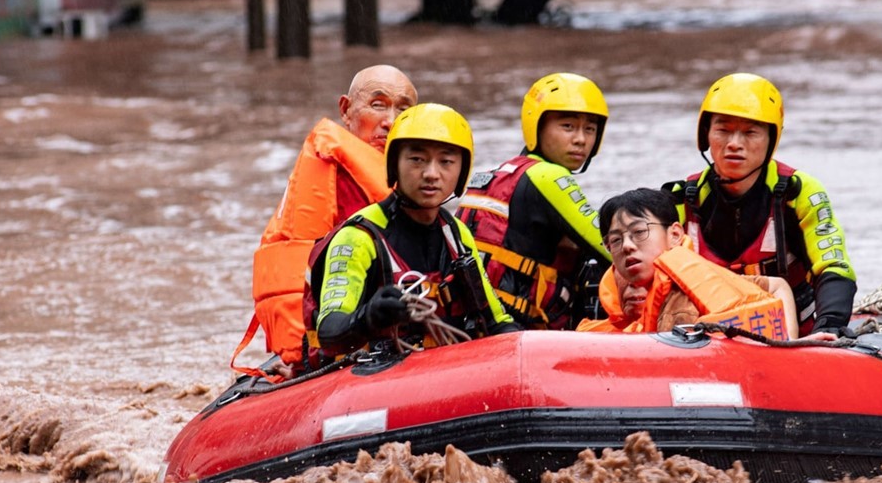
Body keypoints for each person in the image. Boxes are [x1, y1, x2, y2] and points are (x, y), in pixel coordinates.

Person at [233, 65, 418, 376]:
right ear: (345, 110)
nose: (391, 121)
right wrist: (307, 357)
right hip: (334, 339)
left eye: (403, 109)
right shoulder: (335, 174)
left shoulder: (413, 179)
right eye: (378, 104)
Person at [306, 103, 519, 361]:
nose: (431, 174)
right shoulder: (358, 237)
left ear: (461, 172)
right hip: (370, 378)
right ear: (394, 165)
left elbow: (496, 321)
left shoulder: (457, 235)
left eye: (446, 162)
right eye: (417, 159)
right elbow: (330, 333)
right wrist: (370, 316)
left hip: (442, 372)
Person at [664, 73, 857, 335]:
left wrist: (831, 325)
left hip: (796, 331)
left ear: (771, 140)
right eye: (723, 129)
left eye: (750, 132)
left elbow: (834, 265)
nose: (734, 143)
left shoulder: (798, 192)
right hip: (704, 334)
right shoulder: (679, 198)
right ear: (705, 135)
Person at [458, 72, 612, 329]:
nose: (580, 140)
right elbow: (610, 245)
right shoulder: (548, 176)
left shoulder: (500, 174)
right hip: (520, 331)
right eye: (568, 127)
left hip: (476, 323)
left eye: (590, 129)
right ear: (536, 127)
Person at [577, 188, 797, 337]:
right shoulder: (622, 288)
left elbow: (778, 286)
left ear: (674, 235)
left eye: (639, 232)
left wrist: (789, 345)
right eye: (615, 240)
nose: (626, 245)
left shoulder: (694, 292)